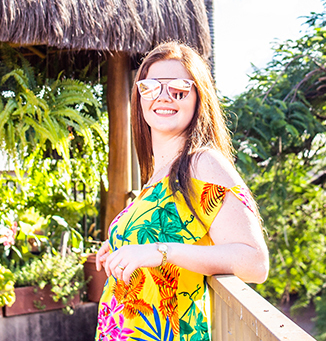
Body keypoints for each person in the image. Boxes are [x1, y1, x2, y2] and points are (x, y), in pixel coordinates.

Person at [94, 41, 269, 341]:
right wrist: (121, 242)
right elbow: (172, 231)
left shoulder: (202, 163)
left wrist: (160, 251)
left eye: (178, 89)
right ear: (139, 97)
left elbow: (255, 262)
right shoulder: (157, 175)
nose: (163, 96)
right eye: (150, 87)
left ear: (199, 98)